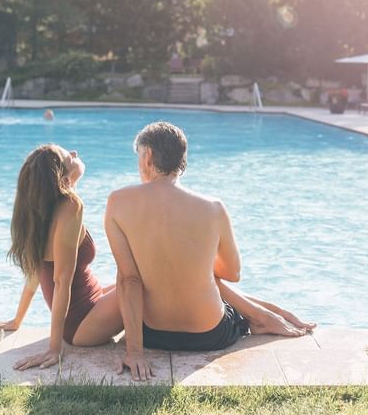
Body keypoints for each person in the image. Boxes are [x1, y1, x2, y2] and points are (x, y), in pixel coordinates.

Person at [106, 121, 314, 380]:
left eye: (139, 157)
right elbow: (233, 273)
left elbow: (129, 279)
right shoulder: (213, 208)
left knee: (158, 275)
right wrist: (194, 260)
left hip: (151, 334)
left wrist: (135, 351)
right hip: (210, 335)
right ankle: (267, 315)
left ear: (147, 156)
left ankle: (268, 313)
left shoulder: (118, 202)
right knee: (205, 276)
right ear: (182, 160)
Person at [0, 145, 123, 370]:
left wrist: (17, 321)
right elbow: (61, 281)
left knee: (132, 280)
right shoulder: (71, 207)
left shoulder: (45, 210)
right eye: (68, 157)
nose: (75, 153)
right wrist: (55, 348)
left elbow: (35, 272)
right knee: (144, 285)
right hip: (82, 323)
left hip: (85, 309)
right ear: (61, 177)